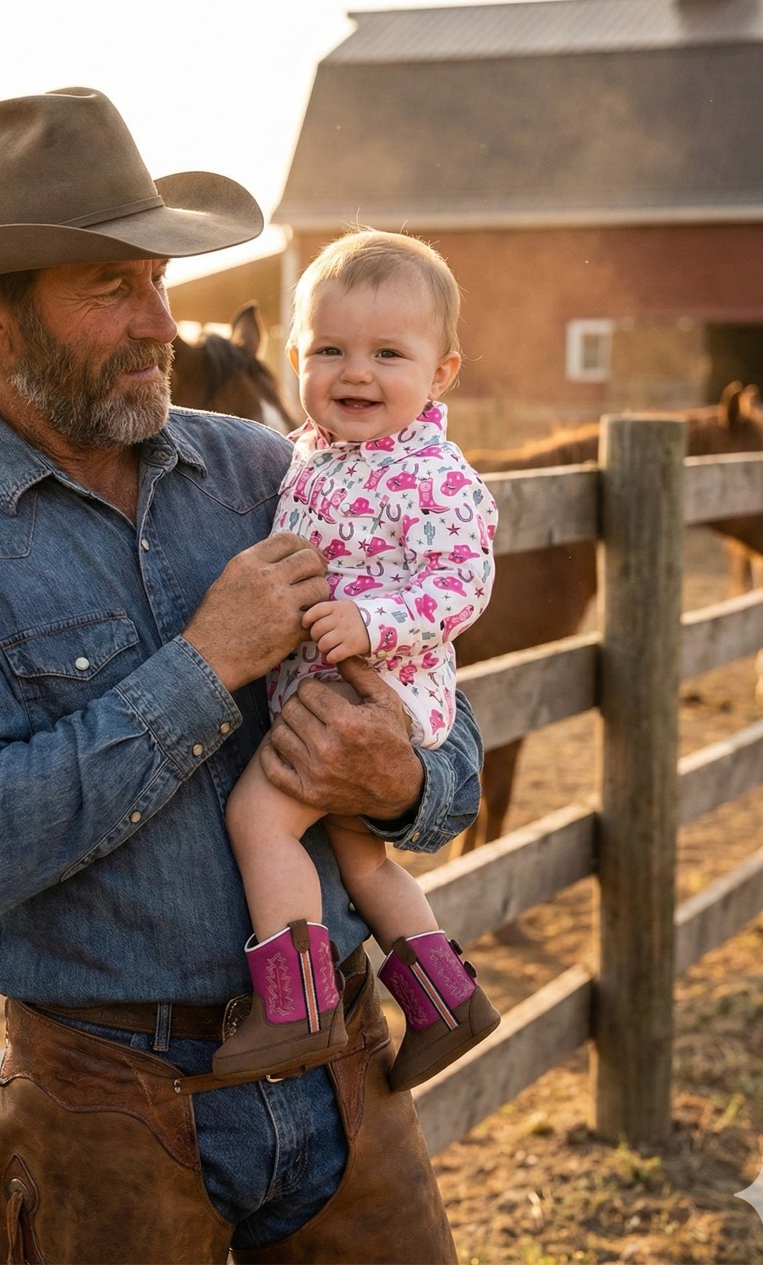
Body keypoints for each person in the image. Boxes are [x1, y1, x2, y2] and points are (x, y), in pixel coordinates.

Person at [0, 87, 483, 1265]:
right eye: (110, 287)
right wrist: (207, 660)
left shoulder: (269, 469)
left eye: (157, 279)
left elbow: (450, 746)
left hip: (343, 1073)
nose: (161, 324)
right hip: (105, 1107)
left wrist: (397, 779)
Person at [214, 230, 501, 1092]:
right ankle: (448, 1002)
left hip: (376, 690)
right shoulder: (309, 453)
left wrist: (373, 622)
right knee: (362, 858)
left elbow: (463, 583)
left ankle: (297, 1007)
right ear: (296, 359)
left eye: (388, 354)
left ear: (441, 373)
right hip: (324, 687)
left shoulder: (434, 474)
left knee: (258, 819)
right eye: (331, 350)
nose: (357, 374)